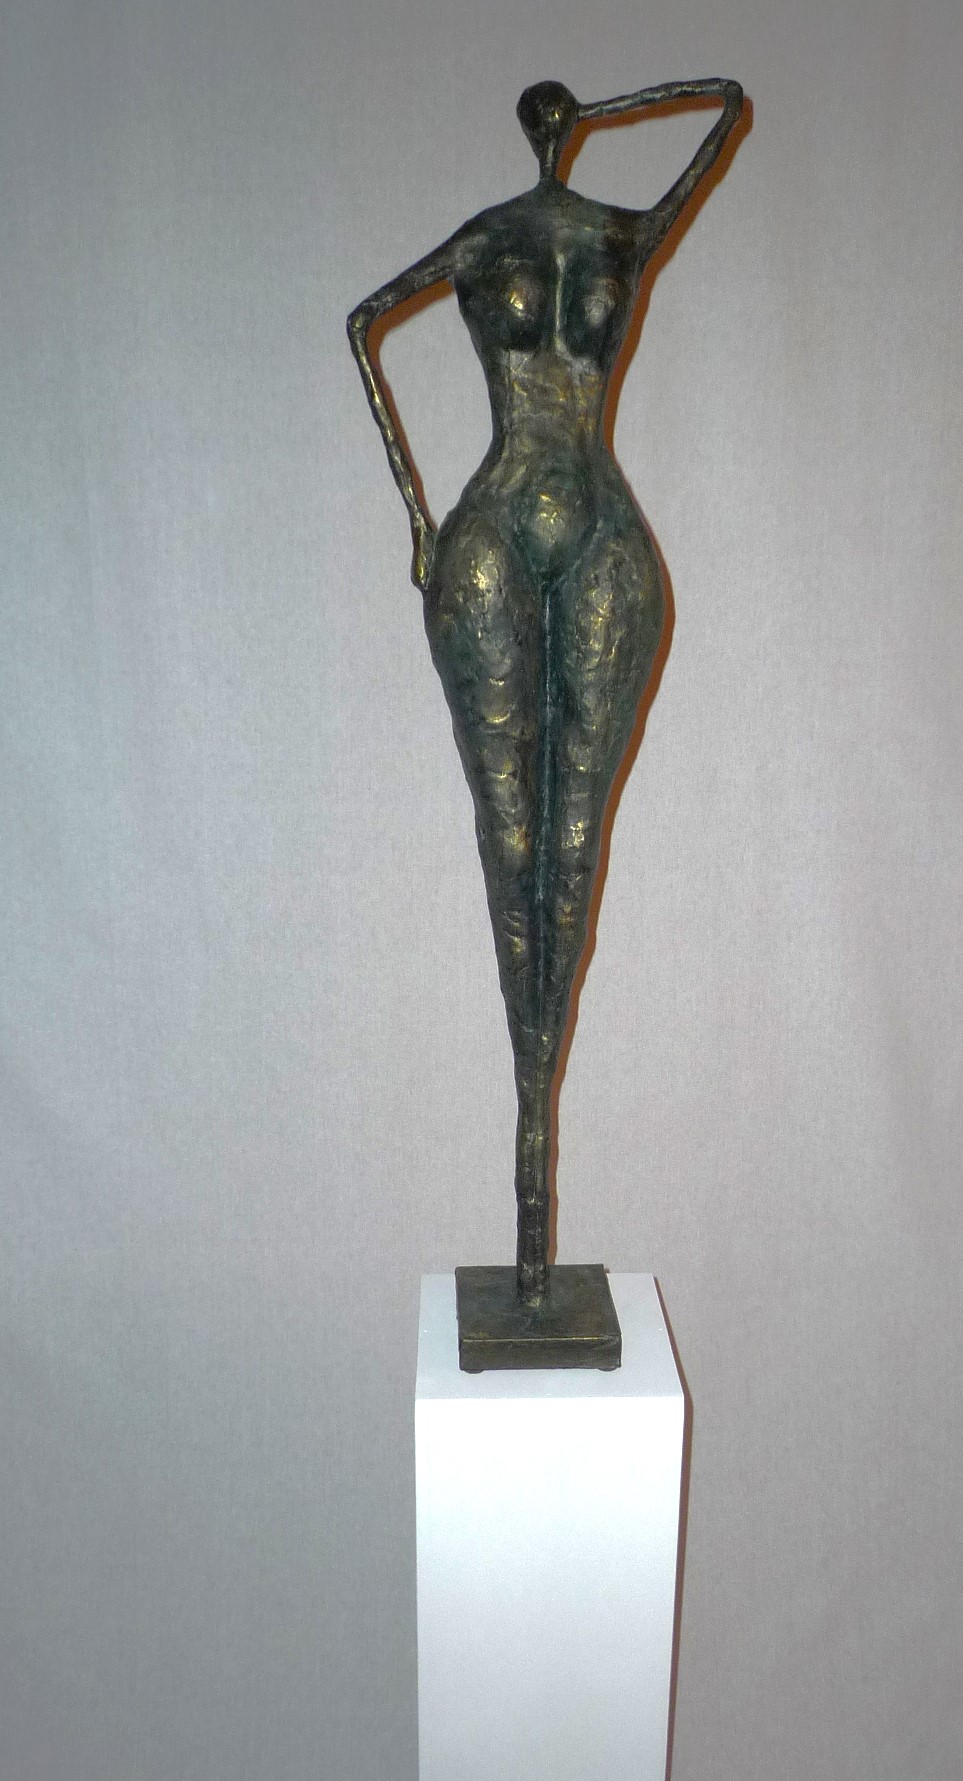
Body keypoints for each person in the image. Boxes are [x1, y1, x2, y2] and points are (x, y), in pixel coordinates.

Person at [348, 78, 744, 1301]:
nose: (554, 126)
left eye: (564, 117)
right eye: (550, 115)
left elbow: (726, 103)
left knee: (574, 845)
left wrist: (615, 109)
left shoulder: (624, 231)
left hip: (604, 535)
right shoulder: (484, 240)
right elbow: (363, 324)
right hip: (493, 531)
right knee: (507, 836)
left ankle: (535, 1165)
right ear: (535, 128)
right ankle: (530, 1161)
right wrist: (420, 525)